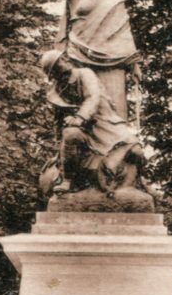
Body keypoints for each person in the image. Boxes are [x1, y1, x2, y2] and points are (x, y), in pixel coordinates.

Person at [54, 0, 141, 121]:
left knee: (114, 111)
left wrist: (134, 65)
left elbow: (123, 35)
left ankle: (117, 150)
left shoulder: (114, 1)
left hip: (112, 63)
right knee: (81, 112)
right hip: (79, 60)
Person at [39, 49, 146, 196]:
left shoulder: (85, 73)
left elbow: (93, 98)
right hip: (84, 130)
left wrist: (79, 118)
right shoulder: (56, 91)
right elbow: (58, 119)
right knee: (70, 135)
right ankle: (67, 180)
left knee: (136, 152)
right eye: (59, 62)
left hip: (106, 124)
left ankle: (136, 185)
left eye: (64, 58)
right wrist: (60, 141)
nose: (65, 61)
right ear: (54, 72)